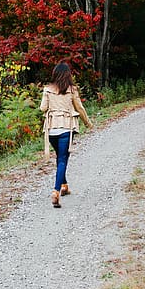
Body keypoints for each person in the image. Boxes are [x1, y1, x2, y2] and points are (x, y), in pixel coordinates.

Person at [39, 62, 93, 208]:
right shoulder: (72, 90)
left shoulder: (47, 89)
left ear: (55, 74)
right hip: (66, 129)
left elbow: (42, 108)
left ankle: (64, 186)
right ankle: (56, 191)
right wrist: (88, 123)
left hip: (51, 130)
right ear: (68, 75)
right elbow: (80, 108)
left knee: (59, 157)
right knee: (63, 159)